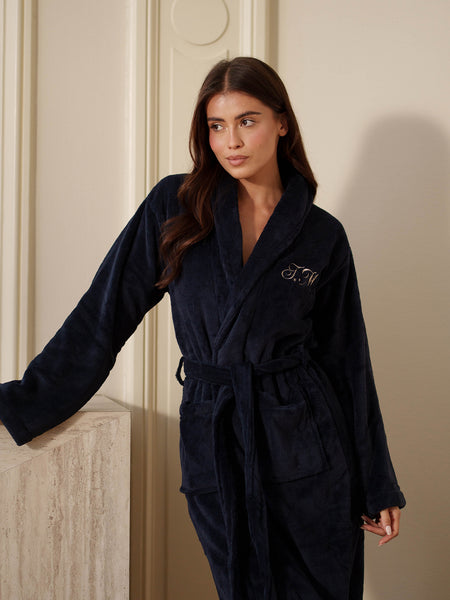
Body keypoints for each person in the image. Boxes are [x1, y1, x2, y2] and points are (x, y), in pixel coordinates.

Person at [0, 57, 405, 599]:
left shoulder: (321, 234)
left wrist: (377, 481)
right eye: (217, 125)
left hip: (309, 449)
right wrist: (24, 400)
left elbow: (348, 361)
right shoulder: (176, 206)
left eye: (247, 121)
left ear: (282, 123)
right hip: (215, 438)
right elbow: (104, 313)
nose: (230, 141)